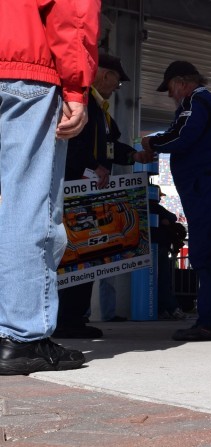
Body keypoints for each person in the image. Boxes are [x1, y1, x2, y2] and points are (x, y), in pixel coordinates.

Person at [0, 0, 100, 375]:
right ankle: (22, 338)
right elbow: (74, 12)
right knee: (29, 204)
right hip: (22, 68)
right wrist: (76, 89)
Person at [54, 54, 153, 338]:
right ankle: (66, 319)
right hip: (75, 189)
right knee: (75, 255)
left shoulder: (99, 109)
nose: (117, 86)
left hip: (89, 192)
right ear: (104, 75)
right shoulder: (82, 103)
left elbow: (109, 146)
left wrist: (132, 155)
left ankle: (74, 316)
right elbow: (70, 144)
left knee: (87, 255)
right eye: (117, 80)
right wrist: (90, 166)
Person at [141, 61, 211, 341]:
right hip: (210, 185)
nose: (170, 95)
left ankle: (210, 321)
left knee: (205, 253)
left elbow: (183, 136)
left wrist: (153, 143)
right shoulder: (207, 103)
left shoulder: (196, 101)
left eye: (171, 88)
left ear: (182, 83)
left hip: (206, 186)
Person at [152, 186, 186, 320]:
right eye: (159, 195)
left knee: (159, 280)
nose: (160, 198)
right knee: (164, 280)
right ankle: (171, 308)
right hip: (160, 247)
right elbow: (171, 217)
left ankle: (161, 309)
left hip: (155, 248)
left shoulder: (149, 208)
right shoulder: (156, 208)